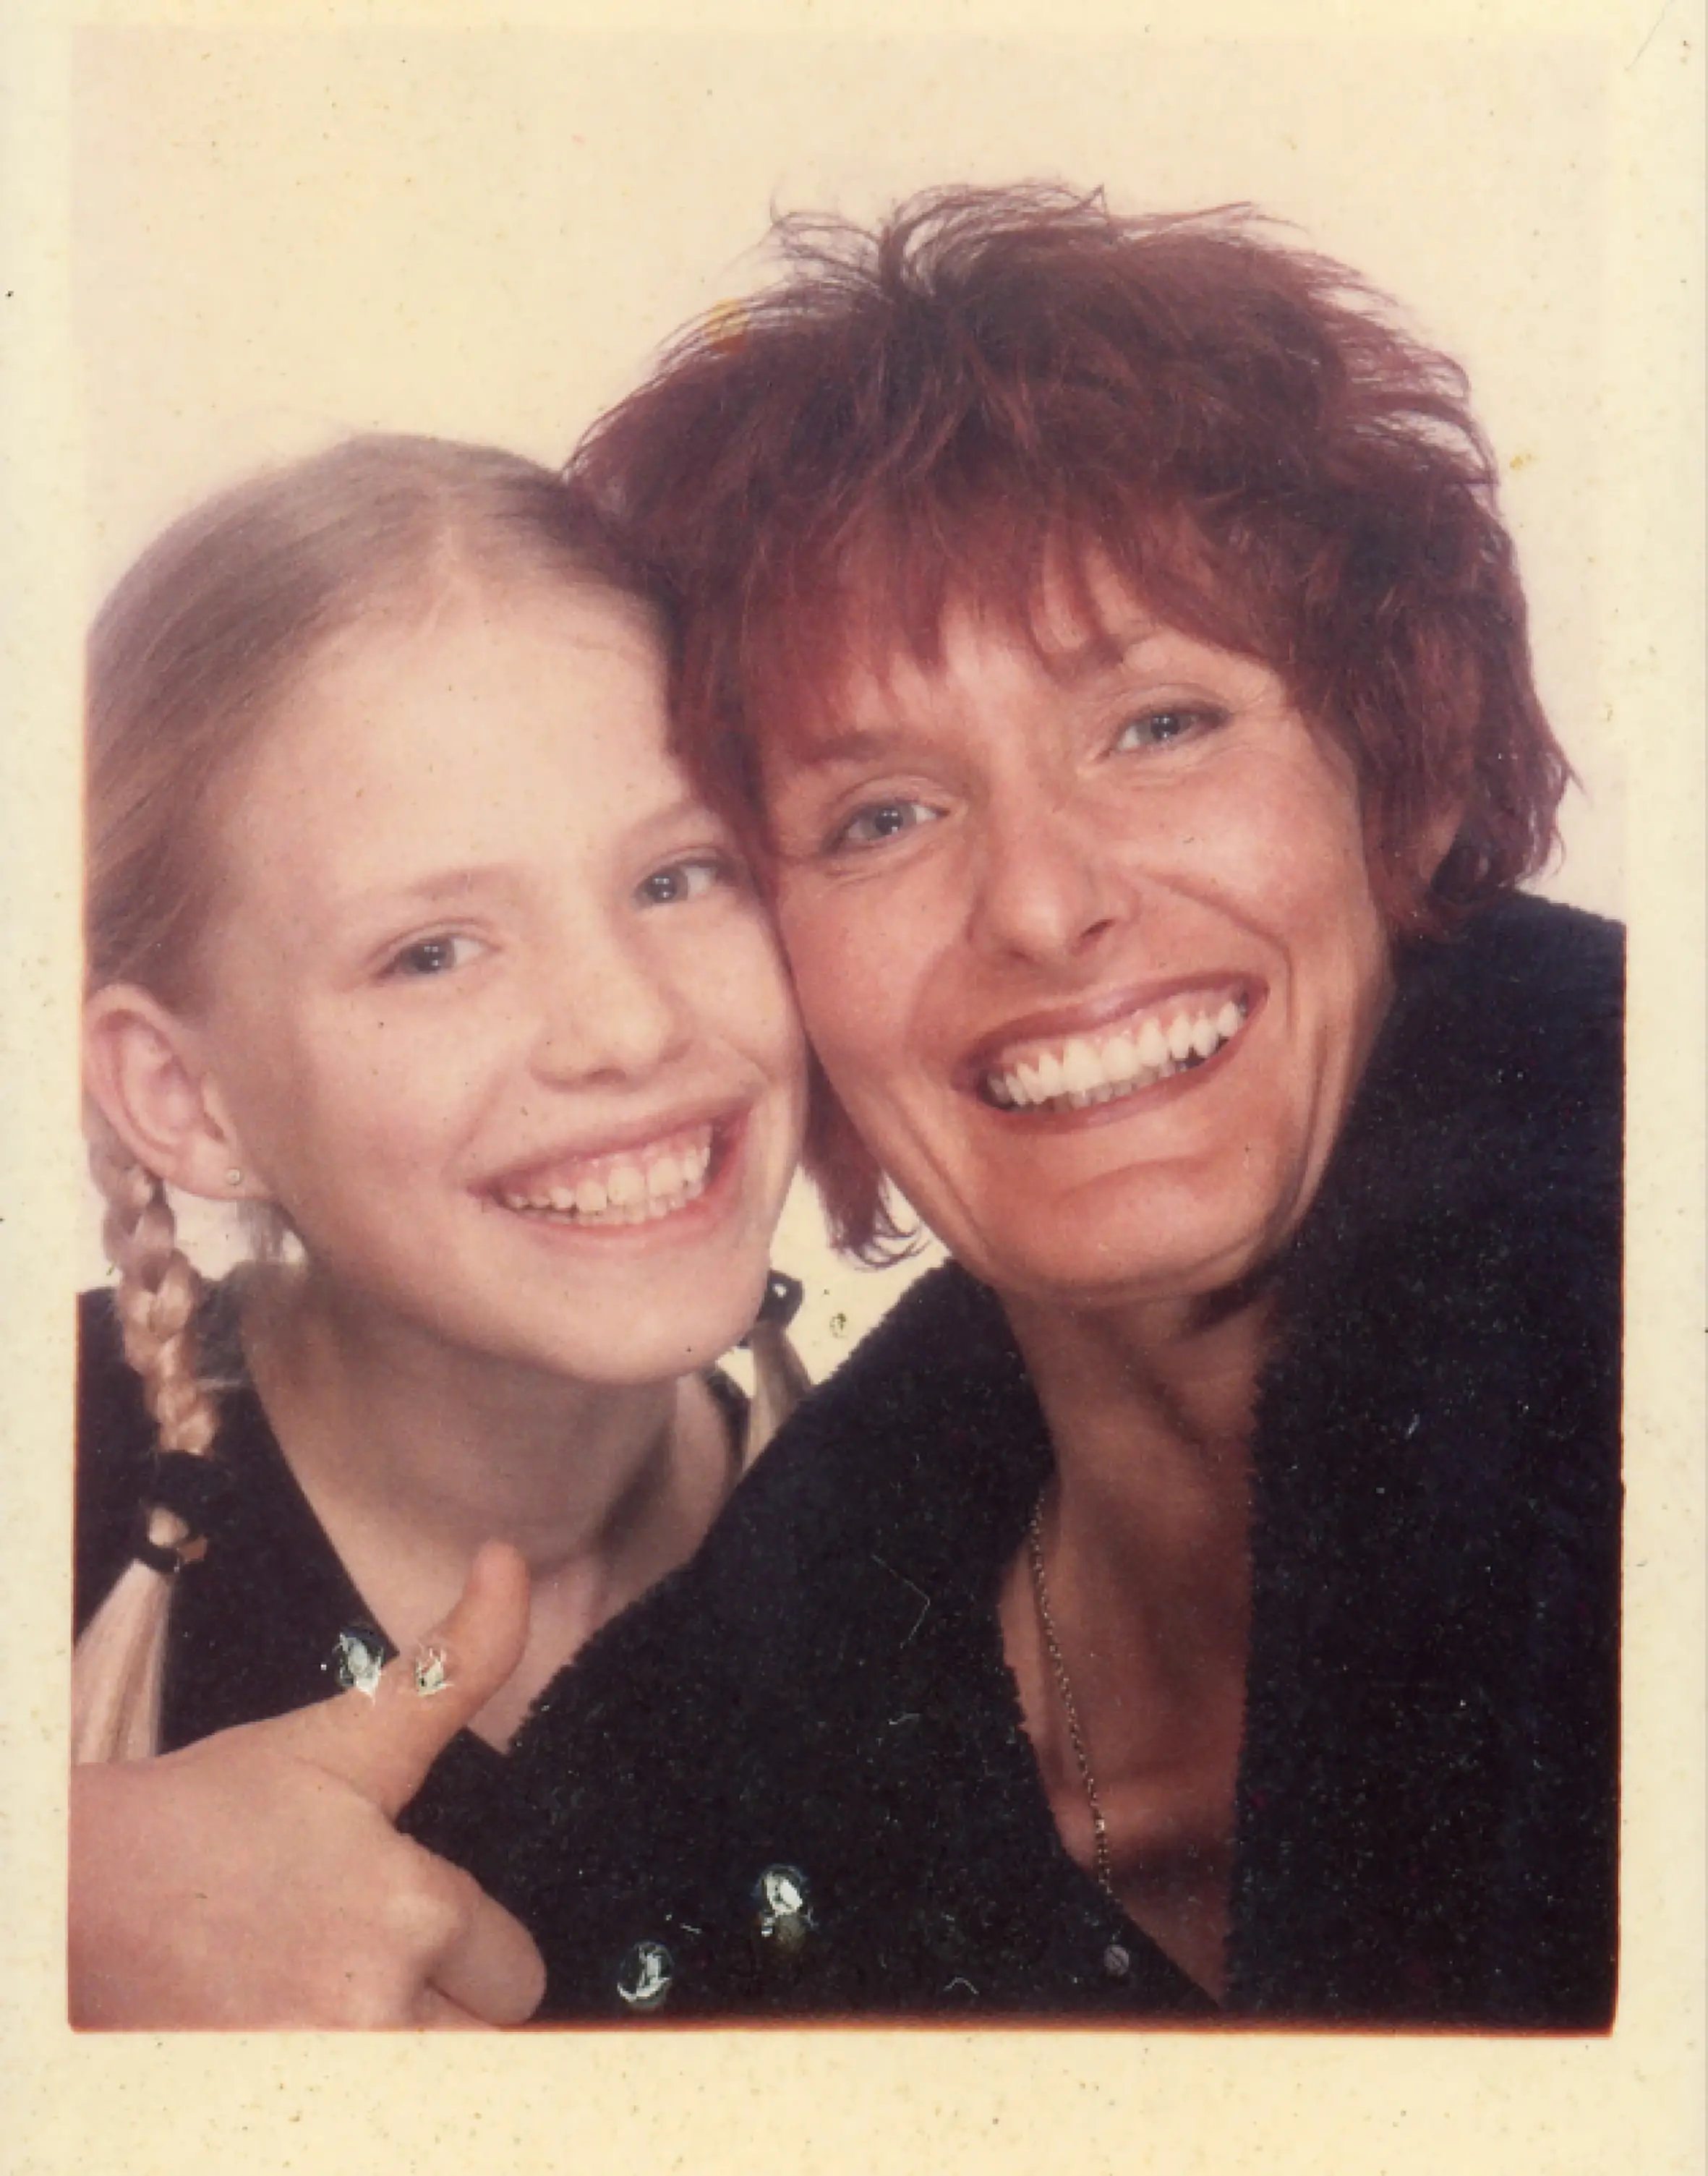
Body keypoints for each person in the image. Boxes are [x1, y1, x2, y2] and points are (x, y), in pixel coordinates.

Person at [491, 187, 1623, 2026]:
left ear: (1395, 778)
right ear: (767, 968)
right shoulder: (675, 1798)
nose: (1039, 901)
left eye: (1158, 726)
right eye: (881, 814)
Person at [69, 434, 807, 2026]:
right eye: (433, 952)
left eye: (683, 874)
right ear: (186, 1097)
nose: (620, 1025)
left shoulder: (935, 1517)